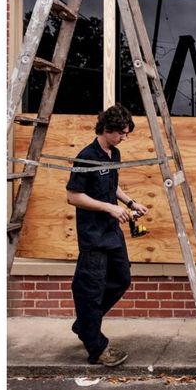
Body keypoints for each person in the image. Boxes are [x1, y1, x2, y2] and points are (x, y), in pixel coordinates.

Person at [66, 103, 148, 367]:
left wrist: (130, 202)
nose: (124, 138)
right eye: (121, 133)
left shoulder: (114, 154)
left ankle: (85, 324)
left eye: (126, 133)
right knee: (91, 289)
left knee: (122, 278)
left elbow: (112, 185)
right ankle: (96, 346)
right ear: (106, 129)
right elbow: (73, 196)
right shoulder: (85, 157)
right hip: (93, 235)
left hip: (112, 233)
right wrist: (108, 208)